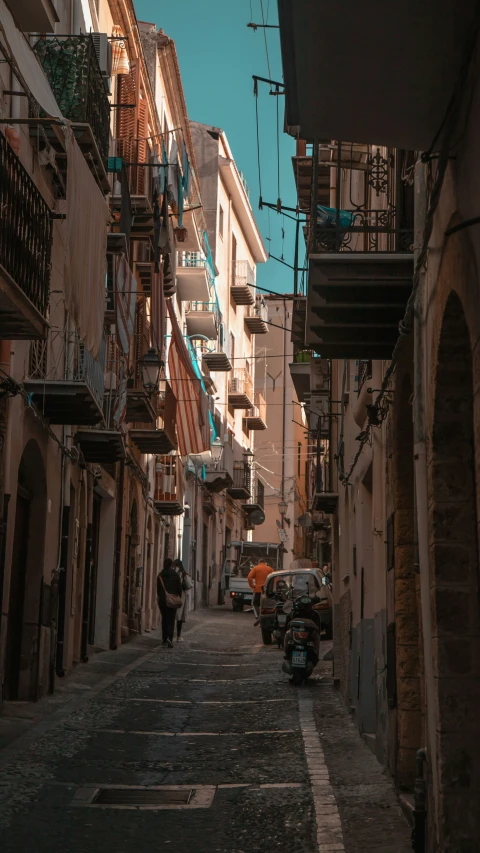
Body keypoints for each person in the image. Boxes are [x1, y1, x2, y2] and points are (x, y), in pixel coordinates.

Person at [157, 557, 183, 647]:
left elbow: (158, 590)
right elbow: (179, 589)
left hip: (163, 601)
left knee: (164, 619)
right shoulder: (175, 575)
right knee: (171, 620)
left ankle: (164, 638)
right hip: (172, 600)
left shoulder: (160, 575)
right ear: (171, 565)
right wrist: (177, 596)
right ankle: (170, 638)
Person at [248, 557, 272, 626]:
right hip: (267, 590)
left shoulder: (255, 568)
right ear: (265, 563)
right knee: (265, 605)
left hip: (258, 589)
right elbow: (275, 578)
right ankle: (264, 618)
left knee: (255, 603)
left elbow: (249, 577)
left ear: (259, 562)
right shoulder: (270, 569)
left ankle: (258, 616)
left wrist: (252, 586)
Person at [173, 558, 192, 643]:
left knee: (172, 616)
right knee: (179, 617)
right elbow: (189, 585)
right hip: (181, 596)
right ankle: (178, 636)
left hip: (171, 595)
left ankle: (169, 636)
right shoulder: (183, 573)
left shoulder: (172, 572)